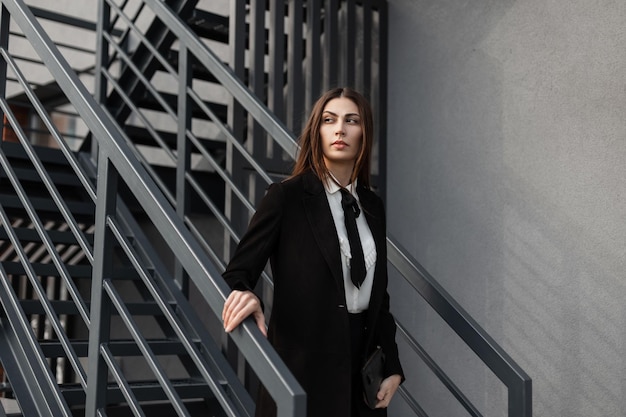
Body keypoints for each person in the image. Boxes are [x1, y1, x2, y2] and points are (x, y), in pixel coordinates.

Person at [221, 87, 404, 417]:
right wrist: (245, 294)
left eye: (352, 120)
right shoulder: (286, 197)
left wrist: (392, 365)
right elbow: (238, 271)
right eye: (329, 120)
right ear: (316, 131)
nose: (340, 129)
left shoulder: (373, 206)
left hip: (363, 376)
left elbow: (380, 297)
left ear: (365, 134)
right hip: (304, 367)